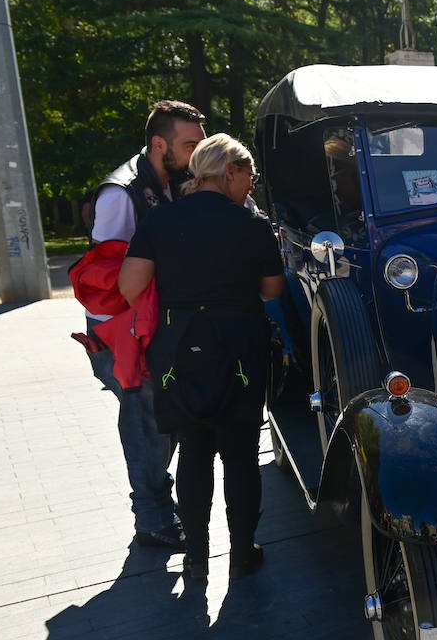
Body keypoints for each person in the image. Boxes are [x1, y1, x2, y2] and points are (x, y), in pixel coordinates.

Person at [118, 134, 284, 579]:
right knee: (241, 454)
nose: (252, 185)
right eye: (249, 175)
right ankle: (244, 551)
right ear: (229, 171)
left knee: (194, 449)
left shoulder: (161, 219)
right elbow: (272, 290)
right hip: (240, 345)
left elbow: (129, 288)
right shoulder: (253, 226)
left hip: (180, 347)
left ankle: (195, 554)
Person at [79, 100, 207, 550]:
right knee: (147, 423)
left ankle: (157, 509)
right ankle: (151, 518)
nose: (198, 152)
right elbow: (108, 277)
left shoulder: (171, 181)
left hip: (154, 326)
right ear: (159, 144)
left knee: (163, 421)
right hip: (123, 334)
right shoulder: (120, 193)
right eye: (190, 144)